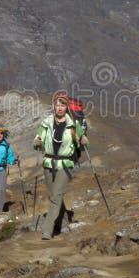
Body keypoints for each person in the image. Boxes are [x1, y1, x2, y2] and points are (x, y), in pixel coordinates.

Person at [33, 92, 88, 240]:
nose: (59, 108)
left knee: (56, 196)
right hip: (49, 163)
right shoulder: (46, 123)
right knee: (53, 196)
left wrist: (83, 140)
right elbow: (38, 140)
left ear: (66, 107)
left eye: (62, 105)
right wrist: (37, 142)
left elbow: (82, 144)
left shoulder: (74, 125)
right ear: (53, 107)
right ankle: (63, 224)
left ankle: (47, 230)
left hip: (65, 164)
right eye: (57, 105)